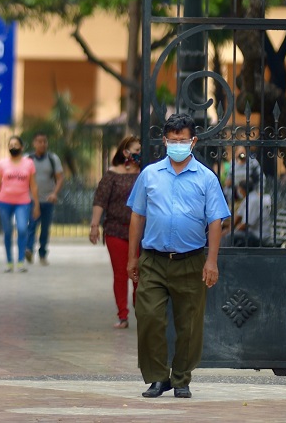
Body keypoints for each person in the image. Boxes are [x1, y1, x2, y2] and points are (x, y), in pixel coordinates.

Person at [127, 113, 230, 399]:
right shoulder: (149, 175)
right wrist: (132, 257)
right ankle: (158, 377)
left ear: (193, 141)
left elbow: (216, 221)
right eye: (172, 141)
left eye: (182, 140)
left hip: (191, 260)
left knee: (190, 323)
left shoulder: (206, 178)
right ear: (165, 141)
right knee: (148, 316)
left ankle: (182, 377)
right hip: (153, 260)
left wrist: (211, 261)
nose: (177, 145)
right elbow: (137, 216)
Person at [89, 135, 141, 329]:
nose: (140, 154)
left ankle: (140, 310)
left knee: (139, 273)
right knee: (120, 273)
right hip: (116, 230)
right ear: (126, 152)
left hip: (141, 232)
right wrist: (95, 225)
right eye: (136, 150)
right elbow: (100, 200)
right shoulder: (112, 175)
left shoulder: (146, 173)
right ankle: (122, 315)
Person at [0, 135, 40, 273]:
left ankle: (21, 261)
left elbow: (33, 185)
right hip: (4, 202)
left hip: (23, 202)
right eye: (10, 145)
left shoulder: (29, 163)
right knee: (8, 231)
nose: (13, 147)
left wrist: (36, 204)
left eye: (16, 145)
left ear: (21, 147)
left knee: (22, 229)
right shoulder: (2, 163)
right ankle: (9, 262)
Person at [26, 132, 64, 265]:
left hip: (48, 200)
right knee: (31, 225)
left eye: (45, 142)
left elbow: (60, 178)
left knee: (45, 228)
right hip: (31, 199)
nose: (42, 144)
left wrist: (54, 193)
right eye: (39, 141)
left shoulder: (53, 159)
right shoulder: (28, 159)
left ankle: (42, 254)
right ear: (34, 143)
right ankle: (29, 250)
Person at [222, 177, 273, 247]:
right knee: (226, 233)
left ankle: (227, 254)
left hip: (258, 235)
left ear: (243, 190)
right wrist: (229, 228)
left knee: (229, 236)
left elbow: (246, 224)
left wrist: (232, 231)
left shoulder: (253, 201)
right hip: (250, 233)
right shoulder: (247, 199)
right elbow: (238, 216)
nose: (238, 191)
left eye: (239, 189)